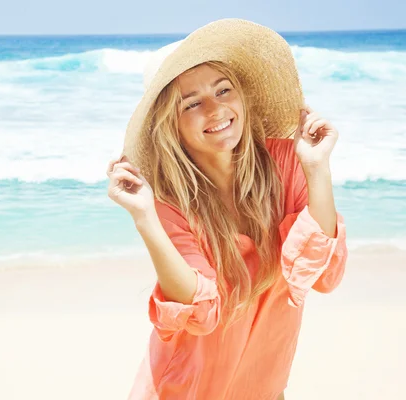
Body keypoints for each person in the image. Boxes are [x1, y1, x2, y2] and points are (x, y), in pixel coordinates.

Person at [106, 19, 348, 400]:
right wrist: (145, 218)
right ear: (171, 123)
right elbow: (200, 315)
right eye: (193, 103)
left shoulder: (289, 163)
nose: (216, 110)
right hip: (182, 391)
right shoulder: (169, 203)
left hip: (264, 388)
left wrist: (317, 169)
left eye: (223, 90)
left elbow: (323, 276)